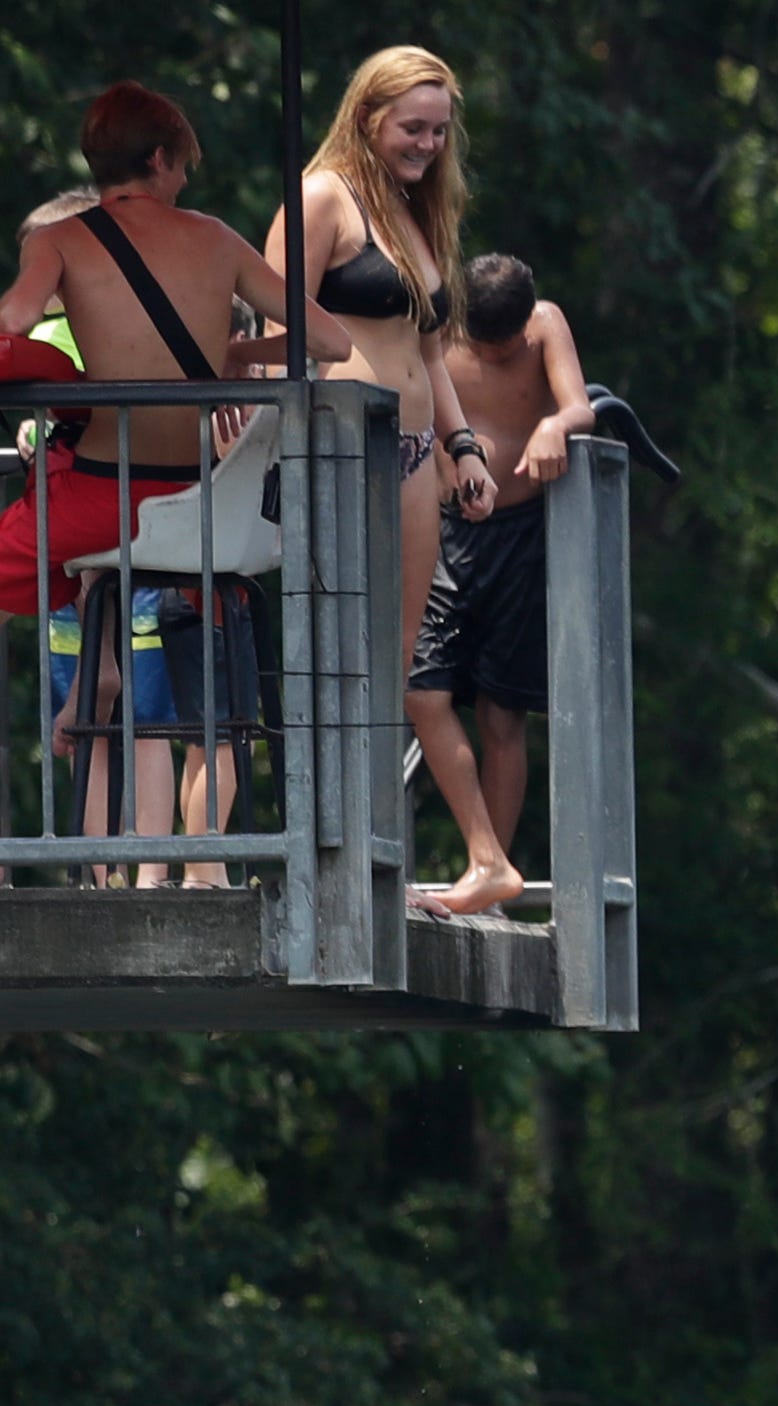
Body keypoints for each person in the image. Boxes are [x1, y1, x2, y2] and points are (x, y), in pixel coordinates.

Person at [0, 87, 298, 864]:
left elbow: (14, 323)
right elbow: (321, 339)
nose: (186, 185)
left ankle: (74, 841)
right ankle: (211, 863)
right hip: (206, 511)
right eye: (184, 167)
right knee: (137, 623)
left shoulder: (62, 240)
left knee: (65, 558)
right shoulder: (218, 239)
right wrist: (235, 357)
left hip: (103, 500)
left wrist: (51, 374)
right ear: (160, 158)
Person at [276, 47, 499, 910]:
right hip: (339, 444)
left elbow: (431, 354)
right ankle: (324, 857)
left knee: (394, 666)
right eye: (413, 128)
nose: (427, 146)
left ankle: (376, 860)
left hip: (411, 457)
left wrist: (466, 447)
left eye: (440, 132)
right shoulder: (322, 196)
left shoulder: (413, 212)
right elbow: (274, 316)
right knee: (333, 657)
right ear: (368, 116)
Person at [402, 249, 588, 906]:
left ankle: (491, 873)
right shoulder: (432, 329)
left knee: (501, 712)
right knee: (422, 692)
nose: (499, 356)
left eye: (507, 347)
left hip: (518, 536)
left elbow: (580, 405)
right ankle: (484, 854)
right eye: (488, 346)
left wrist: (554, 426)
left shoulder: (544, 324)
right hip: (445, 530)